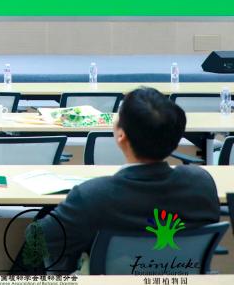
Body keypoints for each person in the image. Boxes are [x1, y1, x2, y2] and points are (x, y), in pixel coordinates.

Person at [29, 87, 220, 274]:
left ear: (121, 135)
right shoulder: (201, 184)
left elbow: (37, 239)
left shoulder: (93, 196)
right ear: (176, 138)